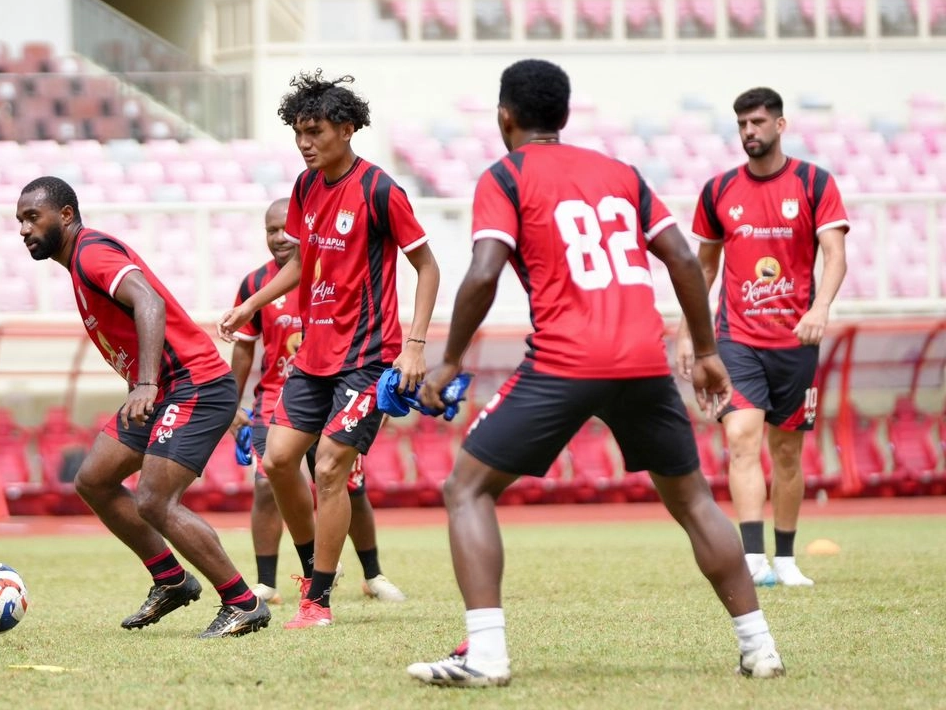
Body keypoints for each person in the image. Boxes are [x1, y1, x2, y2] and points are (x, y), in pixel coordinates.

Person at [407, 59, 785, 687]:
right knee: (692, 499)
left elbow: (482, 271)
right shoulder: (620, 173)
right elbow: (685, 262)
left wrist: (448, 358)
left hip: (565, 358)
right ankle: (760, 645)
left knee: (467, 489)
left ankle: (487, 655)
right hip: (642, 358)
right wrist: (708, 351)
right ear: (564, 114)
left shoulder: (505, 175)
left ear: (506, 117)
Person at [219, 71, 440, 629]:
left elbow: (428, 266)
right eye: (297, 132)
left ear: (347, 129)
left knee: (331, 467)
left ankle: (316, 601)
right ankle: (318, 566)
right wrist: (252, 306)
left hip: (368, 358)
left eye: (313, 131)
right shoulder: (304, 186)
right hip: (313, 357)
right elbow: (301, 262)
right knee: (275, 462)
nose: (304, 142)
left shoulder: (381, 190)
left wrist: (414, 347)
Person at [16, 176, 269, 639]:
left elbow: (148, 302)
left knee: (154, 500)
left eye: (33, 217)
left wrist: (147, 383)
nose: (24, 229)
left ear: (66, 215)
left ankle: (242, 602)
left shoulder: (91, 252)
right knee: (93, 479)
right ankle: (170, 580)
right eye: (20, 221)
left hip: (189, 384)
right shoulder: (77, 264)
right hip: (170, 388)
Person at [676, 87, 849, 588]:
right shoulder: (718, 191)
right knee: (741, 437)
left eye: (757, 122)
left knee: (788, 451)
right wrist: (687, 330)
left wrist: (820, 308)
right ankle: (752, 559)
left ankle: (787, 559)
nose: (749, 132)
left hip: (796, 340)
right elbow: (702, 270)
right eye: (741, 125)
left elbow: (834, 256)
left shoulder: (815, 183)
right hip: (737, 340)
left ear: (780, 125)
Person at [228, 198, 407, 605]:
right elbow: (243, 350)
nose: (279, 238)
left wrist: (375, 394)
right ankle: (269, 581)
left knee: (348, 485)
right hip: (276, 398)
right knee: (265, 483)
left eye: (285, 230)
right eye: (271, 231)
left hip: (336, 390)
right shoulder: (254, 285)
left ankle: (373, 574)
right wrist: (231, 405)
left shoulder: (332, 274)